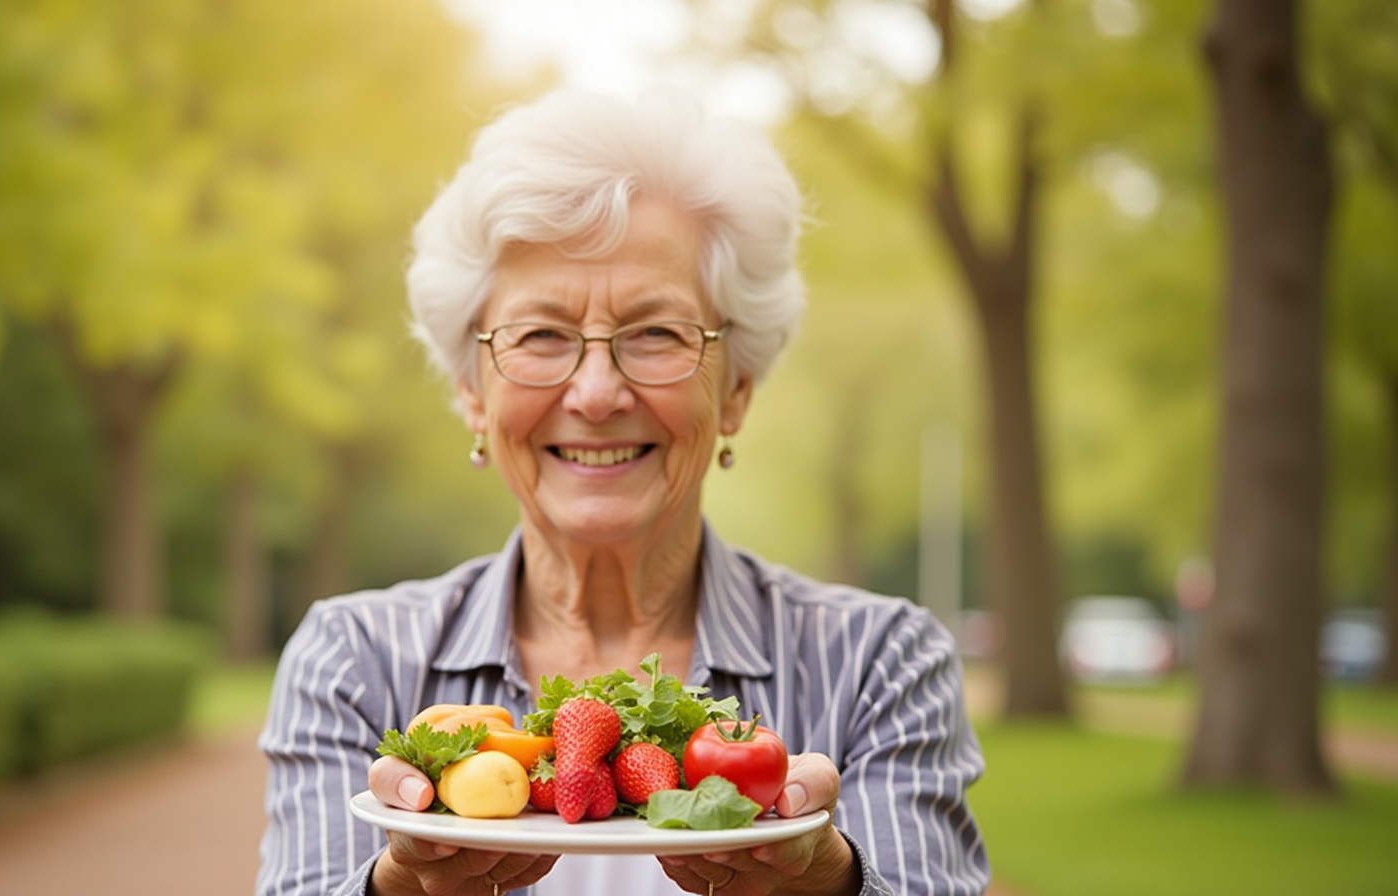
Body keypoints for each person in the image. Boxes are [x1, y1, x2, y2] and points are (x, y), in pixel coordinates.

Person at [255, 89, 989, 896]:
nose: (597, 393)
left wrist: (828, 884)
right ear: (472, 392)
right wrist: (396, 888)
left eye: (656, 333)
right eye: (541, 335)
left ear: (736, 389)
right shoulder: (354, 660)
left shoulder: (879, 662)